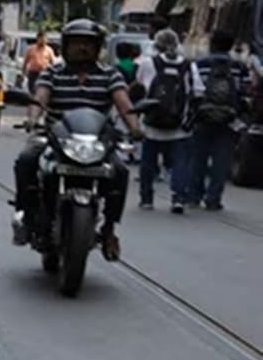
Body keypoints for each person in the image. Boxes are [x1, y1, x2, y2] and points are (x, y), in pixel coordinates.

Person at [13, 20, 141, 261]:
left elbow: (124, 103)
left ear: (97, 47)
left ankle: (109, 229)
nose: (82, 48)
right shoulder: (52, 73)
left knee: (121, 172)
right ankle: (27, 215)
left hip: (97, 143)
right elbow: (40, 98)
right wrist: (32, 119)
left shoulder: (110, 75)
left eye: (88, 44)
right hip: (56, 139)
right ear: (66, 46)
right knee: (26, 160)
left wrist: (135, 127)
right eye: (76, 43)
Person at [137, 28, 203, 213]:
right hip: (179, 127)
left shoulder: (148, 63)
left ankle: (147, 198)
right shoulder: (189, 66)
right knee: (180, 164)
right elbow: (198, 92)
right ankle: (178, 198)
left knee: (148, 163)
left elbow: (141, 87)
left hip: (151, 125)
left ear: (156, 45)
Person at [188, 28, 245, 210]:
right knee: (221, 161)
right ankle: (213, 199)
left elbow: (192, 90)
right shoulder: (239, 67)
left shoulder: (200, 64)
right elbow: (245, 93)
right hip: (229, 120)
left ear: (212, 44)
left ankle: (194, 196)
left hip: (202, 117)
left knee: (198, 158)